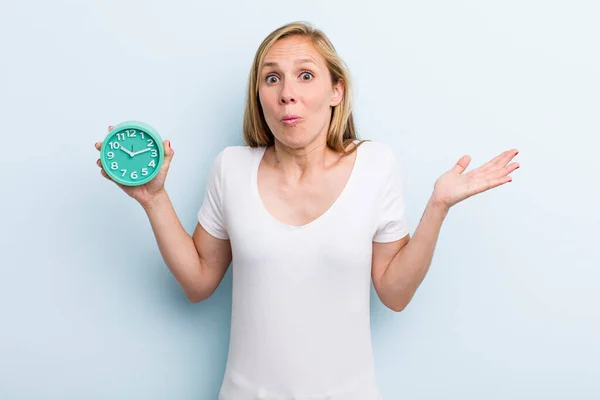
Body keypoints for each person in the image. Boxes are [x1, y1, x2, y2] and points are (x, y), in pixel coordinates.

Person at [95, 21, 519, 400]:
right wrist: (153, 199)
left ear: (336, 91)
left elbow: (395, 293)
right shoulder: (231, 167)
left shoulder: (375, 164)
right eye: (272, 78)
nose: (287, 93)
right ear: (259, 95)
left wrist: (438, 207)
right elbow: (199, 281)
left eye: (305, 75)